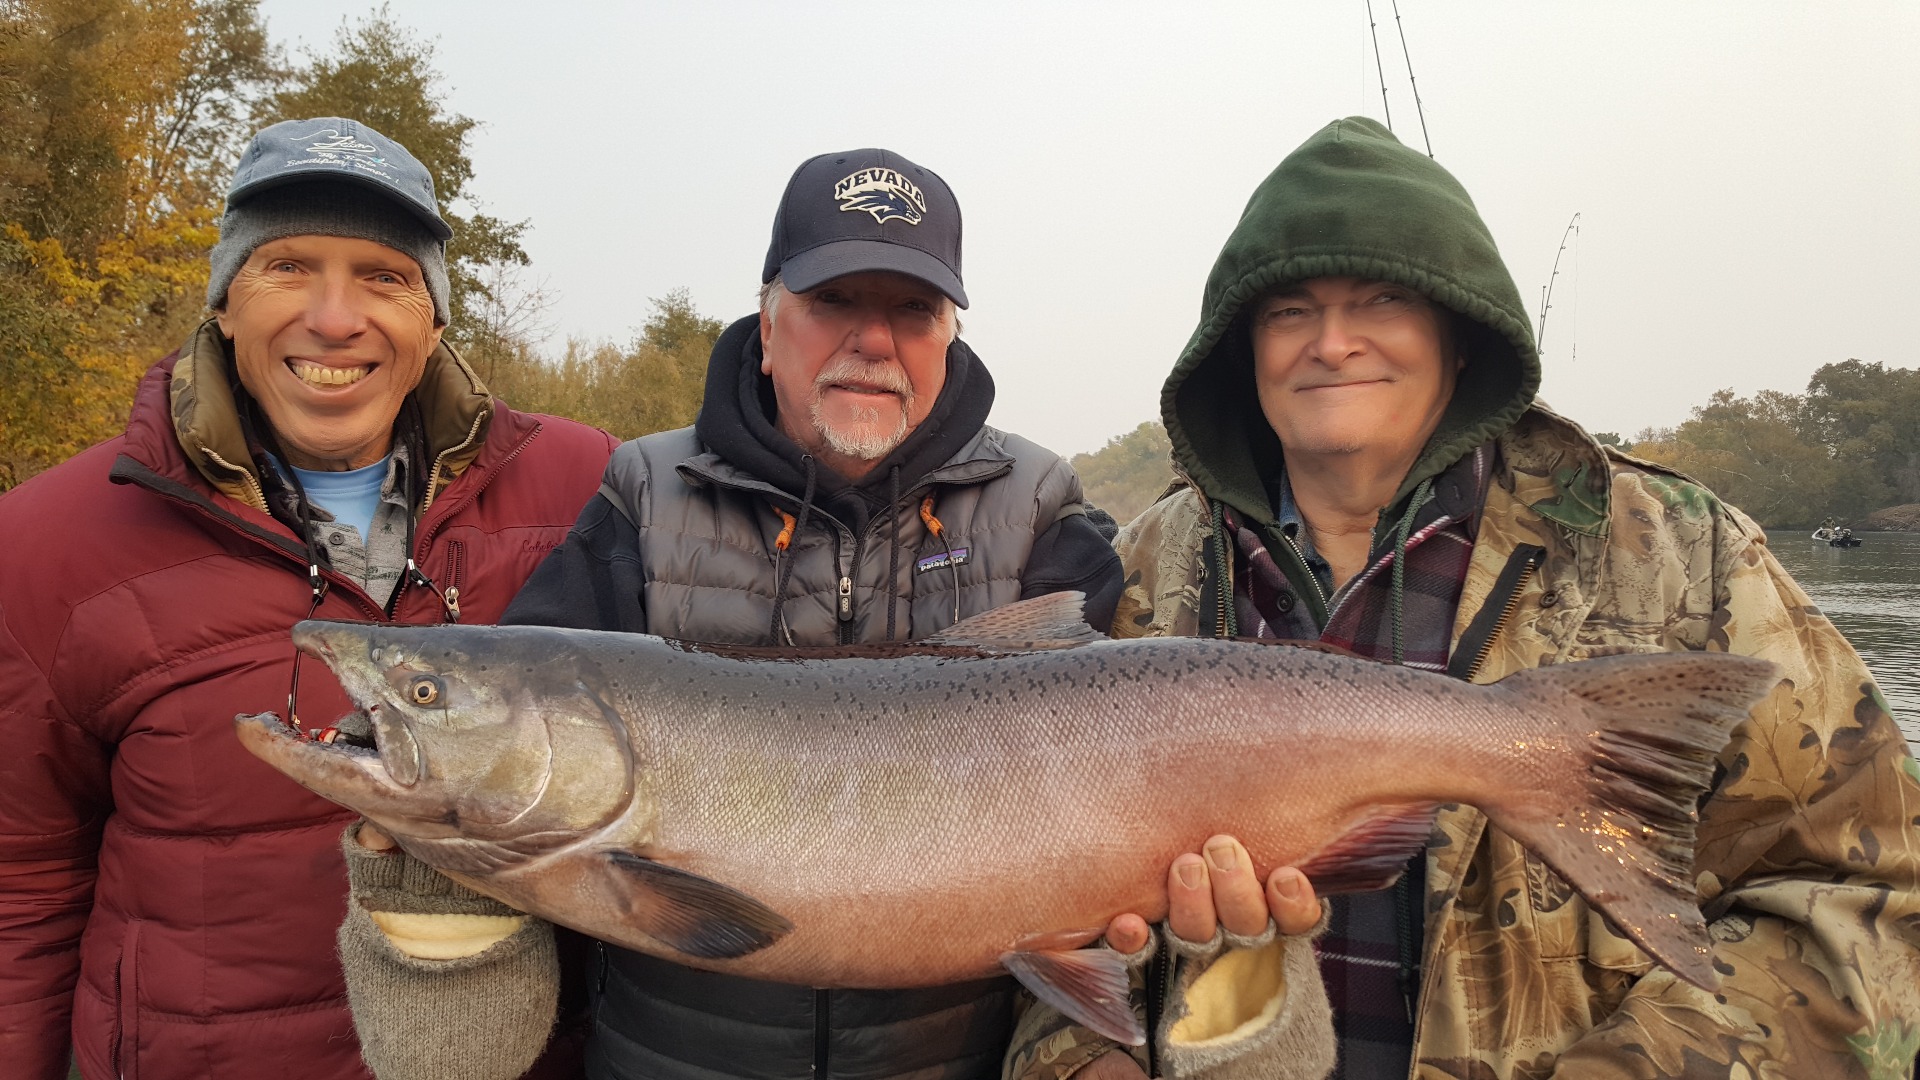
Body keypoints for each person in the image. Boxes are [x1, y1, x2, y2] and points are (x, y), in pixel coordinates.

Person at [338, 148, 1328, 1080]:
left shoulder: (1042, 508)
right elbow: (517, 772)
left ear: (950, 337)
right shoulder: (641, 494)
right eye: (834, 302)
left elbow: (1141, 804)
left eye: (912, 307)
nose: (872, 338)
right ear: (768, 328)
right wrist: (434, 872)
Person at [1089, 116, 1920, 1079]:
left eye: (1383, 299)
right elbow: (1029, 892)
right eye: (1287, 312)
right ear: (1243, 349)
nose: (1332, 342)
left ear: (1457, 334)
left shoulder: (1684, 553)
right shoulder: (1144, 567)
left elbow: (1873, 905)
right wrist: (1075, 1062)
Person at [0, 117, 618, 1080]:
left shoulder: (591, 489)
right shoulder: (46, 543)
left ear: (434, 316)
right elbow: (22, 881)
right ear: (225, 302)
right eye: (287, 266)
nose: (336, 319)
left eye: (384, 276)